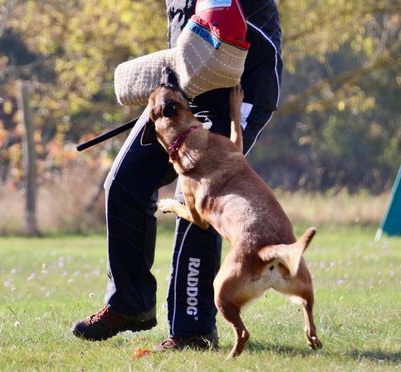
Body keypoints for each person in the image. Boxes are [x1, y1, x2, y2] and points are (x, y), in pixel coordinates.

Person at [72, 0, 282, 351]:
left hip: (239, 88)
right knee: (124, 182)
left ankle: (192, 330)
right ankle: (130, 305)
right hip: (186, 87)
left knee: (197, 204)